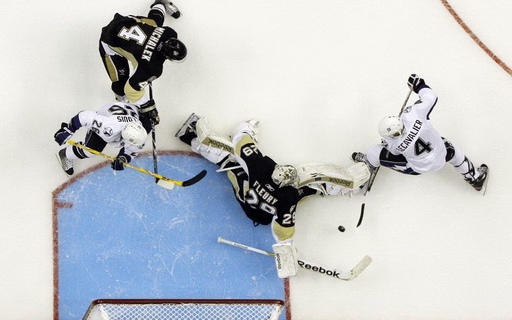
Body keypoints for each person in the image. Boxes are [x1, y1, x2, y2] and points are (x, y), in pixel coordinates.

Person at [175, 114, 370, 277]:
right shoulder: (288, 197)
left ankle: (192, 138)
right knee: (311, 185)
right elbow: (283, 231)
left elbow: (240, 144)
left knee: (231, 161)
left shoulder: (262, 168)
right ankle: (349, 187)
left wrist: (247, 128)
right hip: (261, 214)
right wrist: (285, 250)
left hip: (249, 197)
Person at [352, 74, 488, 192]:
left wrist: (386, 143)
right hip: (442, 154)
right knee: (453, 151)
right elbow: (431, 96)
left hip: (417, 168)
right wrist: (419, 85)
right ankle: (475, 178)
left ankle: (369, 164)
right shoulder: (414, 115)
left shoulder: (395, 144)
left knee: (373, 152)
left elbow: (392, 149)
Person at [99, 0, 187, 127]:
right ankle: (122, 105)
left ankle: (160, 3)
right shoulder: (153, 67)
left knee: (154, 23)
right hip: (109, 41)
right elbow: (132, 89)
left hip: (124, 22)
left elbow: (148, 53)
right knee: (120, 83)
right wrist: (147, 108)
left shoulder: (169, 33)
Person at [54, 102, 148, 176]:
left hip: (128, 110)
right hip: (107, 114)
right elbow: (84, 116)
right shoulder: (109, 127)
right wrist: (68, 130)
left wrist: (123, 158)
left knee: (149, 119)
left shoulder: (138, 133)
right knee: (91, 151)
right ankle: (65, 154)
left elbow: (132, 150)